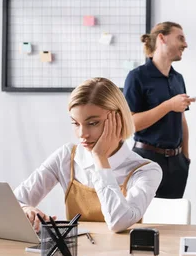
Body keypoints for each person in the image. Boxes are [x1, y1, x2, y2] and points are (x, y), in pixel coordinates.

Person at [14, 77, 162, 233]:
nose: (82, 134)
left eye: (93, 123)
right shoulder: (66, 156)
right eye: (76, 123)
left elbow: (118, 222)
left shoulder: (146, 170)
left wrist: (100, 158)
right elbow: (14, 200)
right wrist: (26, 209)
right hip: (75, 254)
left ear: (118, 119)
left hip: (123, 255)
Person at [123, 21, 194, 199]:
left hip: (177, 163)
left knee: (173, 220)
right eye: (180, 38)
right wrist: (169, 105)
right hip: (146, 158)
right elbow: (131, 124)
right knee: (144, 219)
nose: (185, 44)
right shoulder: (137, 76)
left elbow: (182, 120)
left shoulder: (178, 78)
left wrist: (185, 157)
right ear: (162, 38)